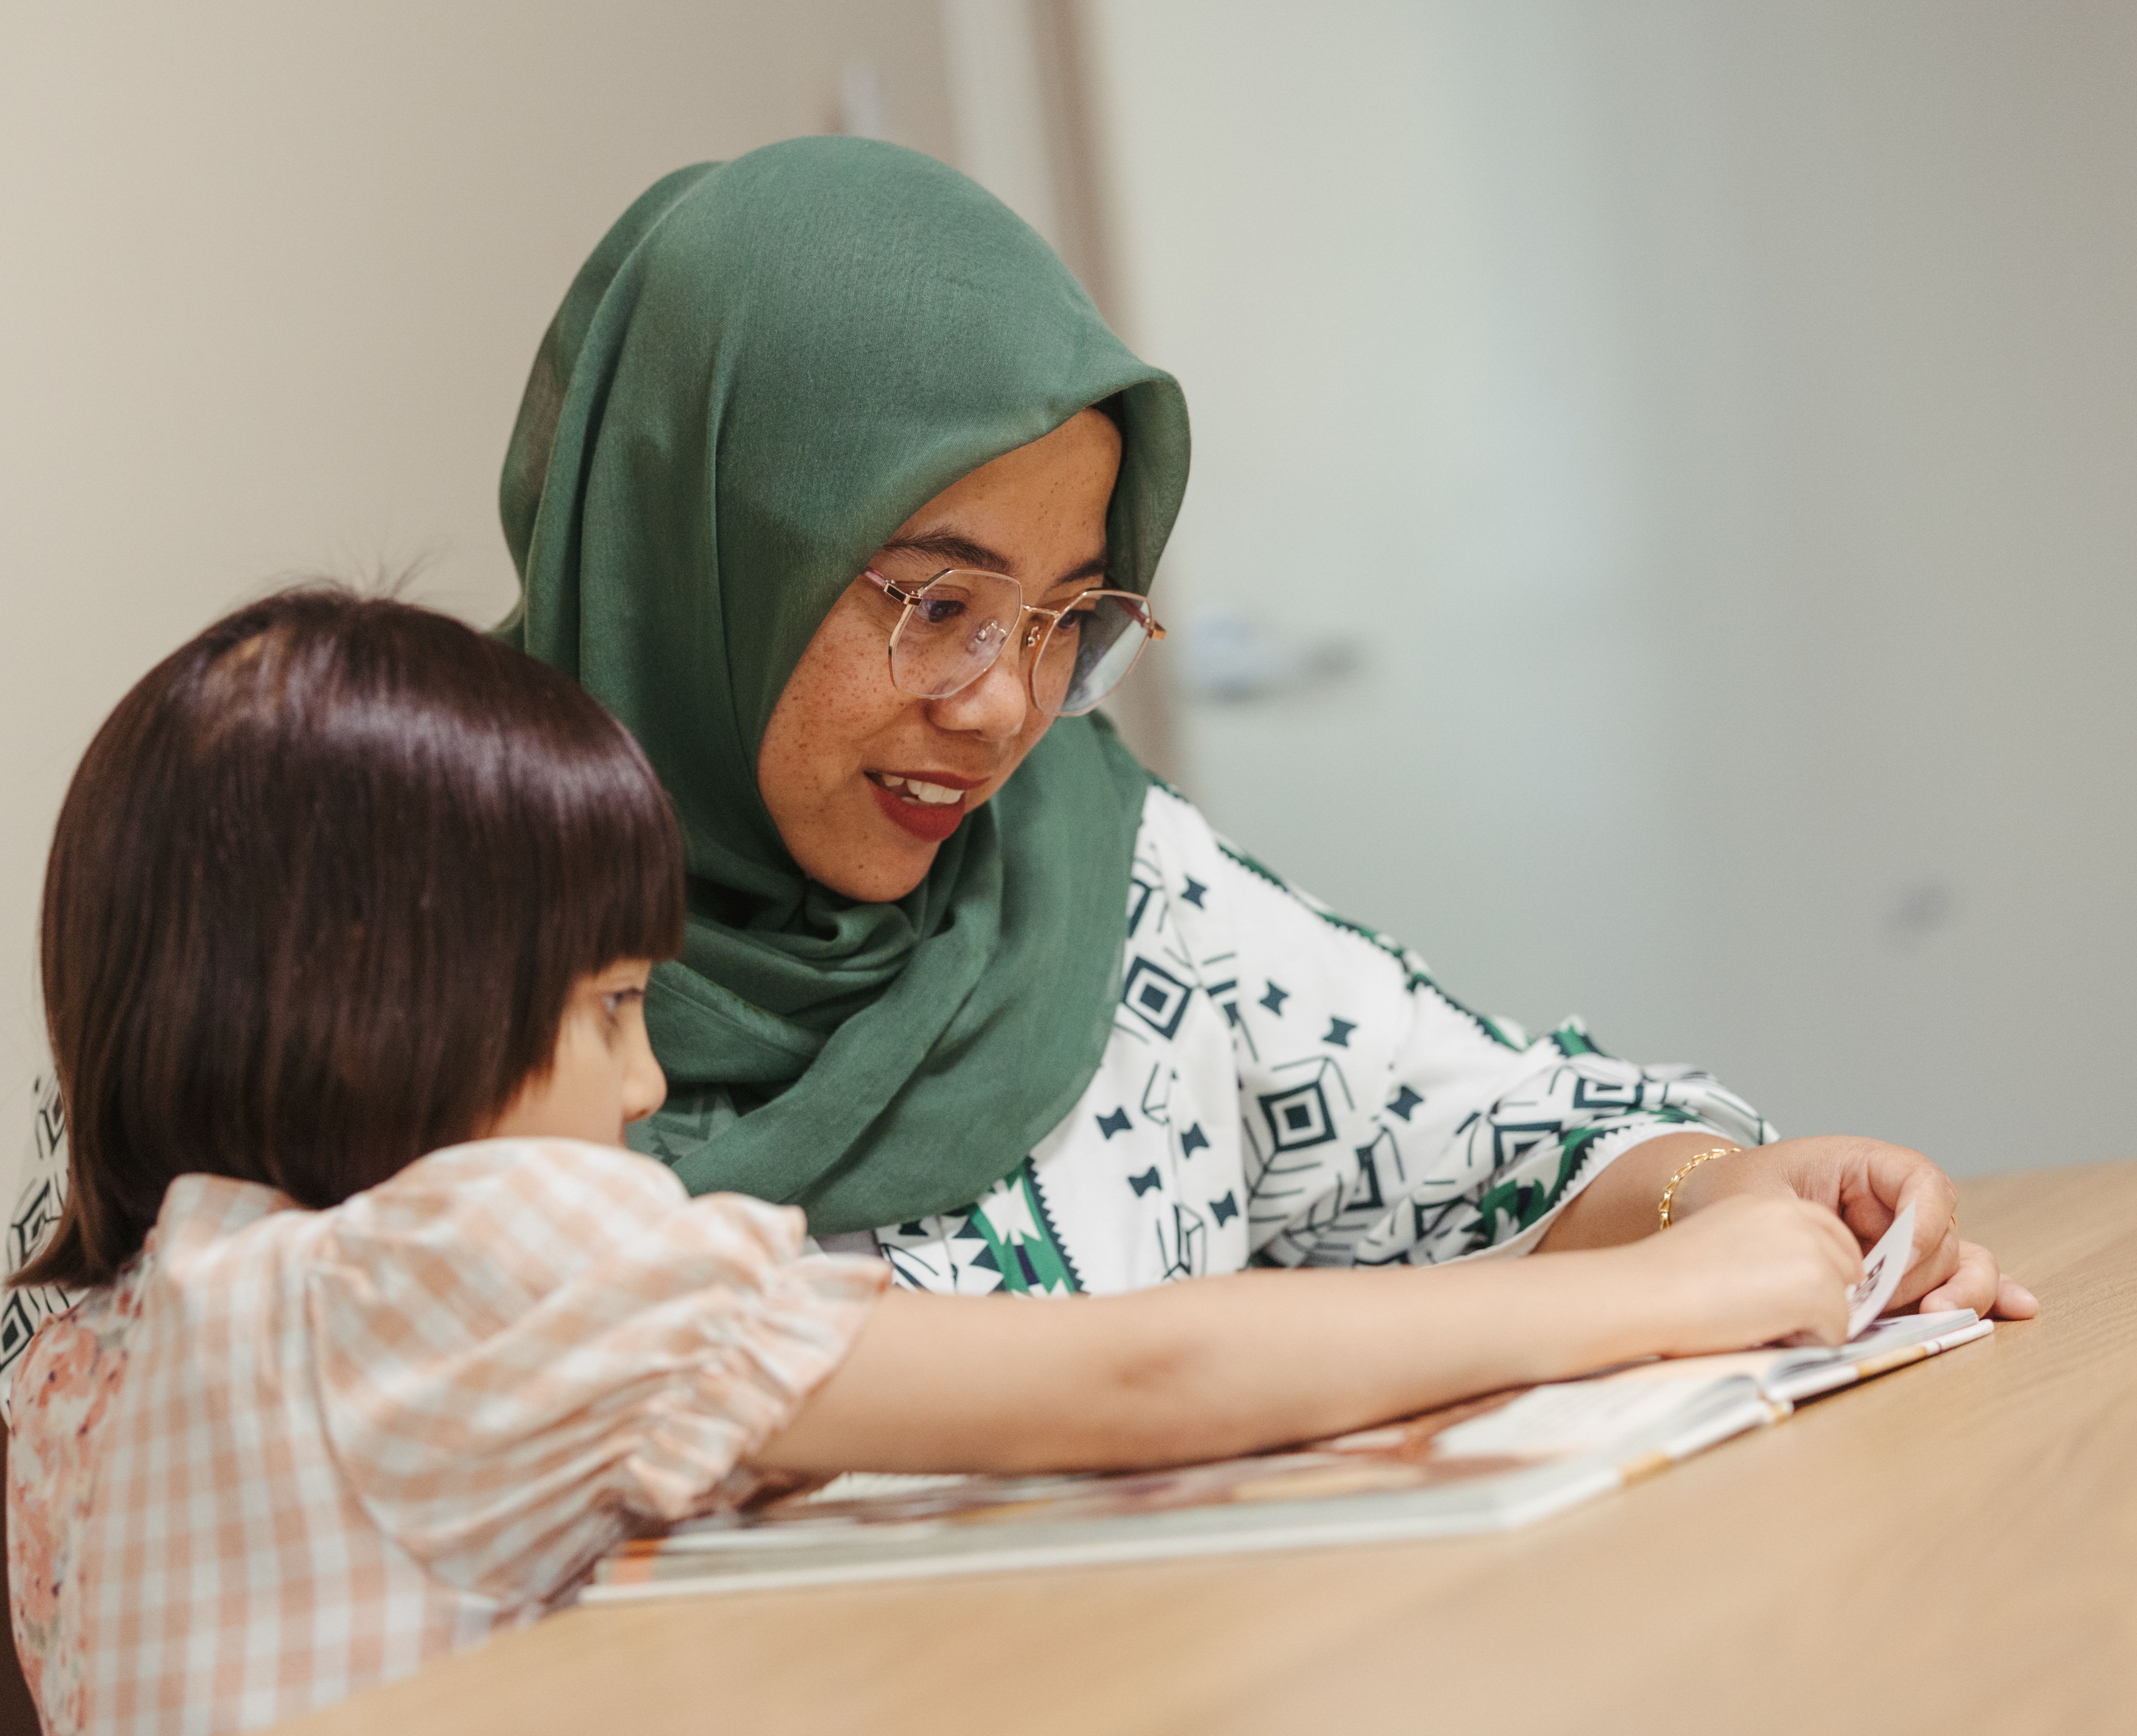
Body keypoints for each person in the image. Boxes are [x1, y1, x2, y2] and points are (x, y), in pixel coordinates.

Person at [3, 587, 1878, 1734]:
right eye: (606, 1011)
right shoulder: (468, 1260)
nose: (647, 1079)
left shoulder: (137, 1314)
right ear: (374, 1010)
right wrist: (1677, 1290)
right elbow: (1144, 1374)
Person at [495, 135, 2038, 1315]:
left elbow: (1492, 1126)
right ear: (687, 546)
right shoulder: (430, 929)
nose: (1005, 710)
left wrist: (1733, 1193)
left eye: (1064, 625)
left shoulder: (1091, 872)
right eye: (935, 604)